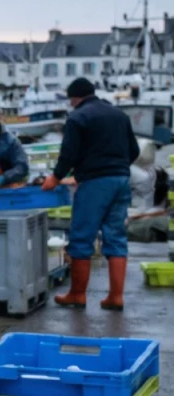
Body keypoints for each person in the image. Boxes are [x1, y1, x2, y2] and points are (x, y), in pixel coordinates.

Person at [43, 77, 139, 310]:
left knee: (81, 238)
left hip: (95, 183)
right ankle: (116, 297)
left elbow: (69, 153)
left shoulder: (77, 117)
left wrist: (55, 177)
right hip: (121, 179)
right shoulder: (119, 115)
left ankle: (77, 294)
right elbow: (134, 150)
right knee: (116, 238)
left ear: (75, 98)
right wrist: (117, 168)